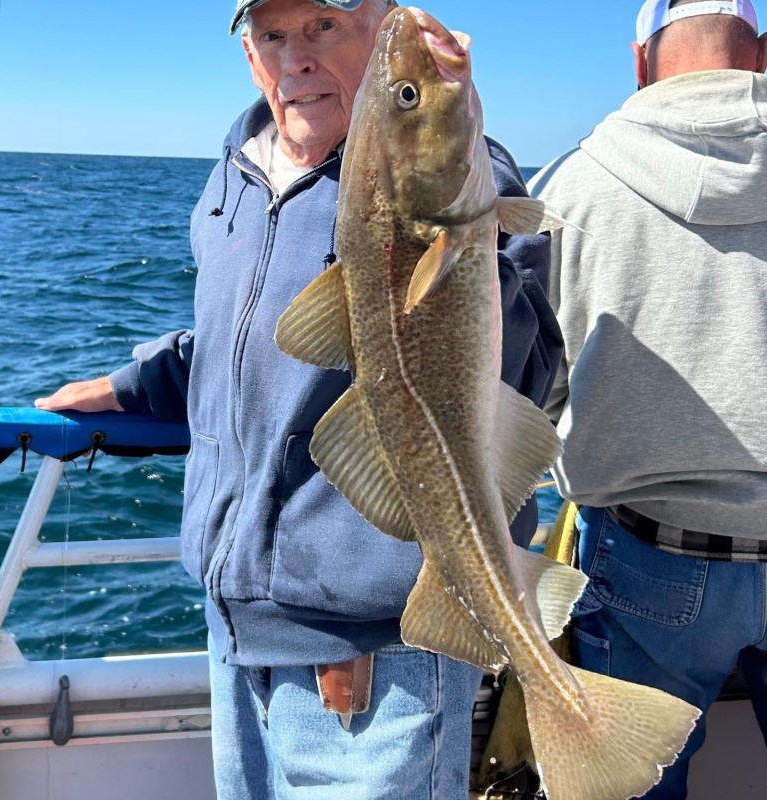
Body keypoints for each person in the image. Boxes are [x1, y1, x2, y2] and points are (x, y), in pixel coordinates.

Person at [36, 1, 562, 798]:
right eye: (274, 35)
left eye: (323, 26)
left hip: (377, 646)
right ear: (250, 52)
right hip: (235, 623)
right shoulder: (235, 173)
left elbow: (526, 372)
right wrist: (134, 385)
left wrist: (475, 249)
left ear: (381, 28)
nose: (296, 59)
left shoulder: (458, 175)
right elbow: (242, 342)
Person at [529, 0, 767, 797]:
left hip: (645, 558)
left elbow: (533, 388)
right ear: (760, 53)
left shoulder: (569, 185)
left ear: (639, 62)